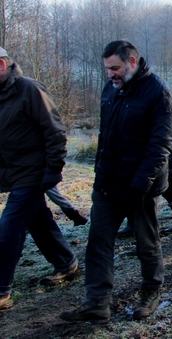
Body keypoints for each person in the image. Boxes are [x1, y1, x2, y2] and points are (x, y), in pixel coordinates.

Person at [60, 40, 172, 322]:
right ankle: (97, 303)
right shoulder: (109, 89)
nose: (110, 74)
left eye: (115, 68)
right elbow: (106, 136)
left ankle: (151, 292)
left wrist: (140, 184)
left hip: (141, 187)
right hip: (108, 184)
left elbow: (160, 144)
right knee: (98, 242)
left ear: (132, 63)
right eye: (107, 68)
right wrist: (100, 173)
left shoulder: (158, 92)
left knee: (146, 243)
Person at [0, 47, 79, 310]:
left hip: (33, 173)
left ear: (2, 65)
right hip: (13, 173)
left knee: (9, 228)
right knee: (38, 221)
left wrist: (53, 170)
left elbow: (55, 131)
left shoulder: (30, 90)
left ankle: (1, 291)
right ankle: (67, 264)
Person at [116, 154, 172, 237]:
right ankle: (132, 224)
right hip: (137, 158)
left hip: (157, 157)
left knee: (168, 189)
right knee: (131, 187)